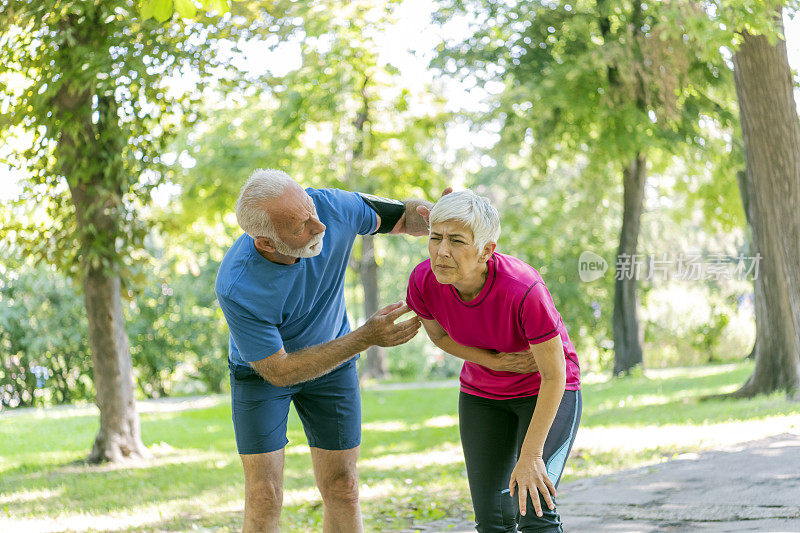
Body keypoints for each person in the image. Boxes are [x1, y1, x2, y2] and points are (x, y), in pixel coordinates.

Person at [215, 169, 432, 532]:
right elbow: (279, 371)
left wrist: (437, 216)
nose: (320, 227)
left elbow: (406, 217)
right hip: (262, 375)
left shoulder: (333, 208)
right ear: (265, 242)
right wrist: (365, 337)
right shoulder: (237, 285)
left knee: (343, 487)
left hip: (335, 365)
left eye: (311, 211)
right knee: (264, 495)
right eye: (302, 226)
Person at [406, 190, 582, 533]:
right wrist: (494, 362)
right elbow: (439, 337)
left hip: (546, 391)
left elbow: (554, 374)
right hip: (482, 395)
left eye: (456, 241)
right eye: (436, 237)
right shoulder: (424, 281)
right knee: (493, 521)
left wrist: (530, 456)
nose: (442, 251)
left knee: (534, 511)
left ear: (487, 250)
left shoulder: (523, 289)